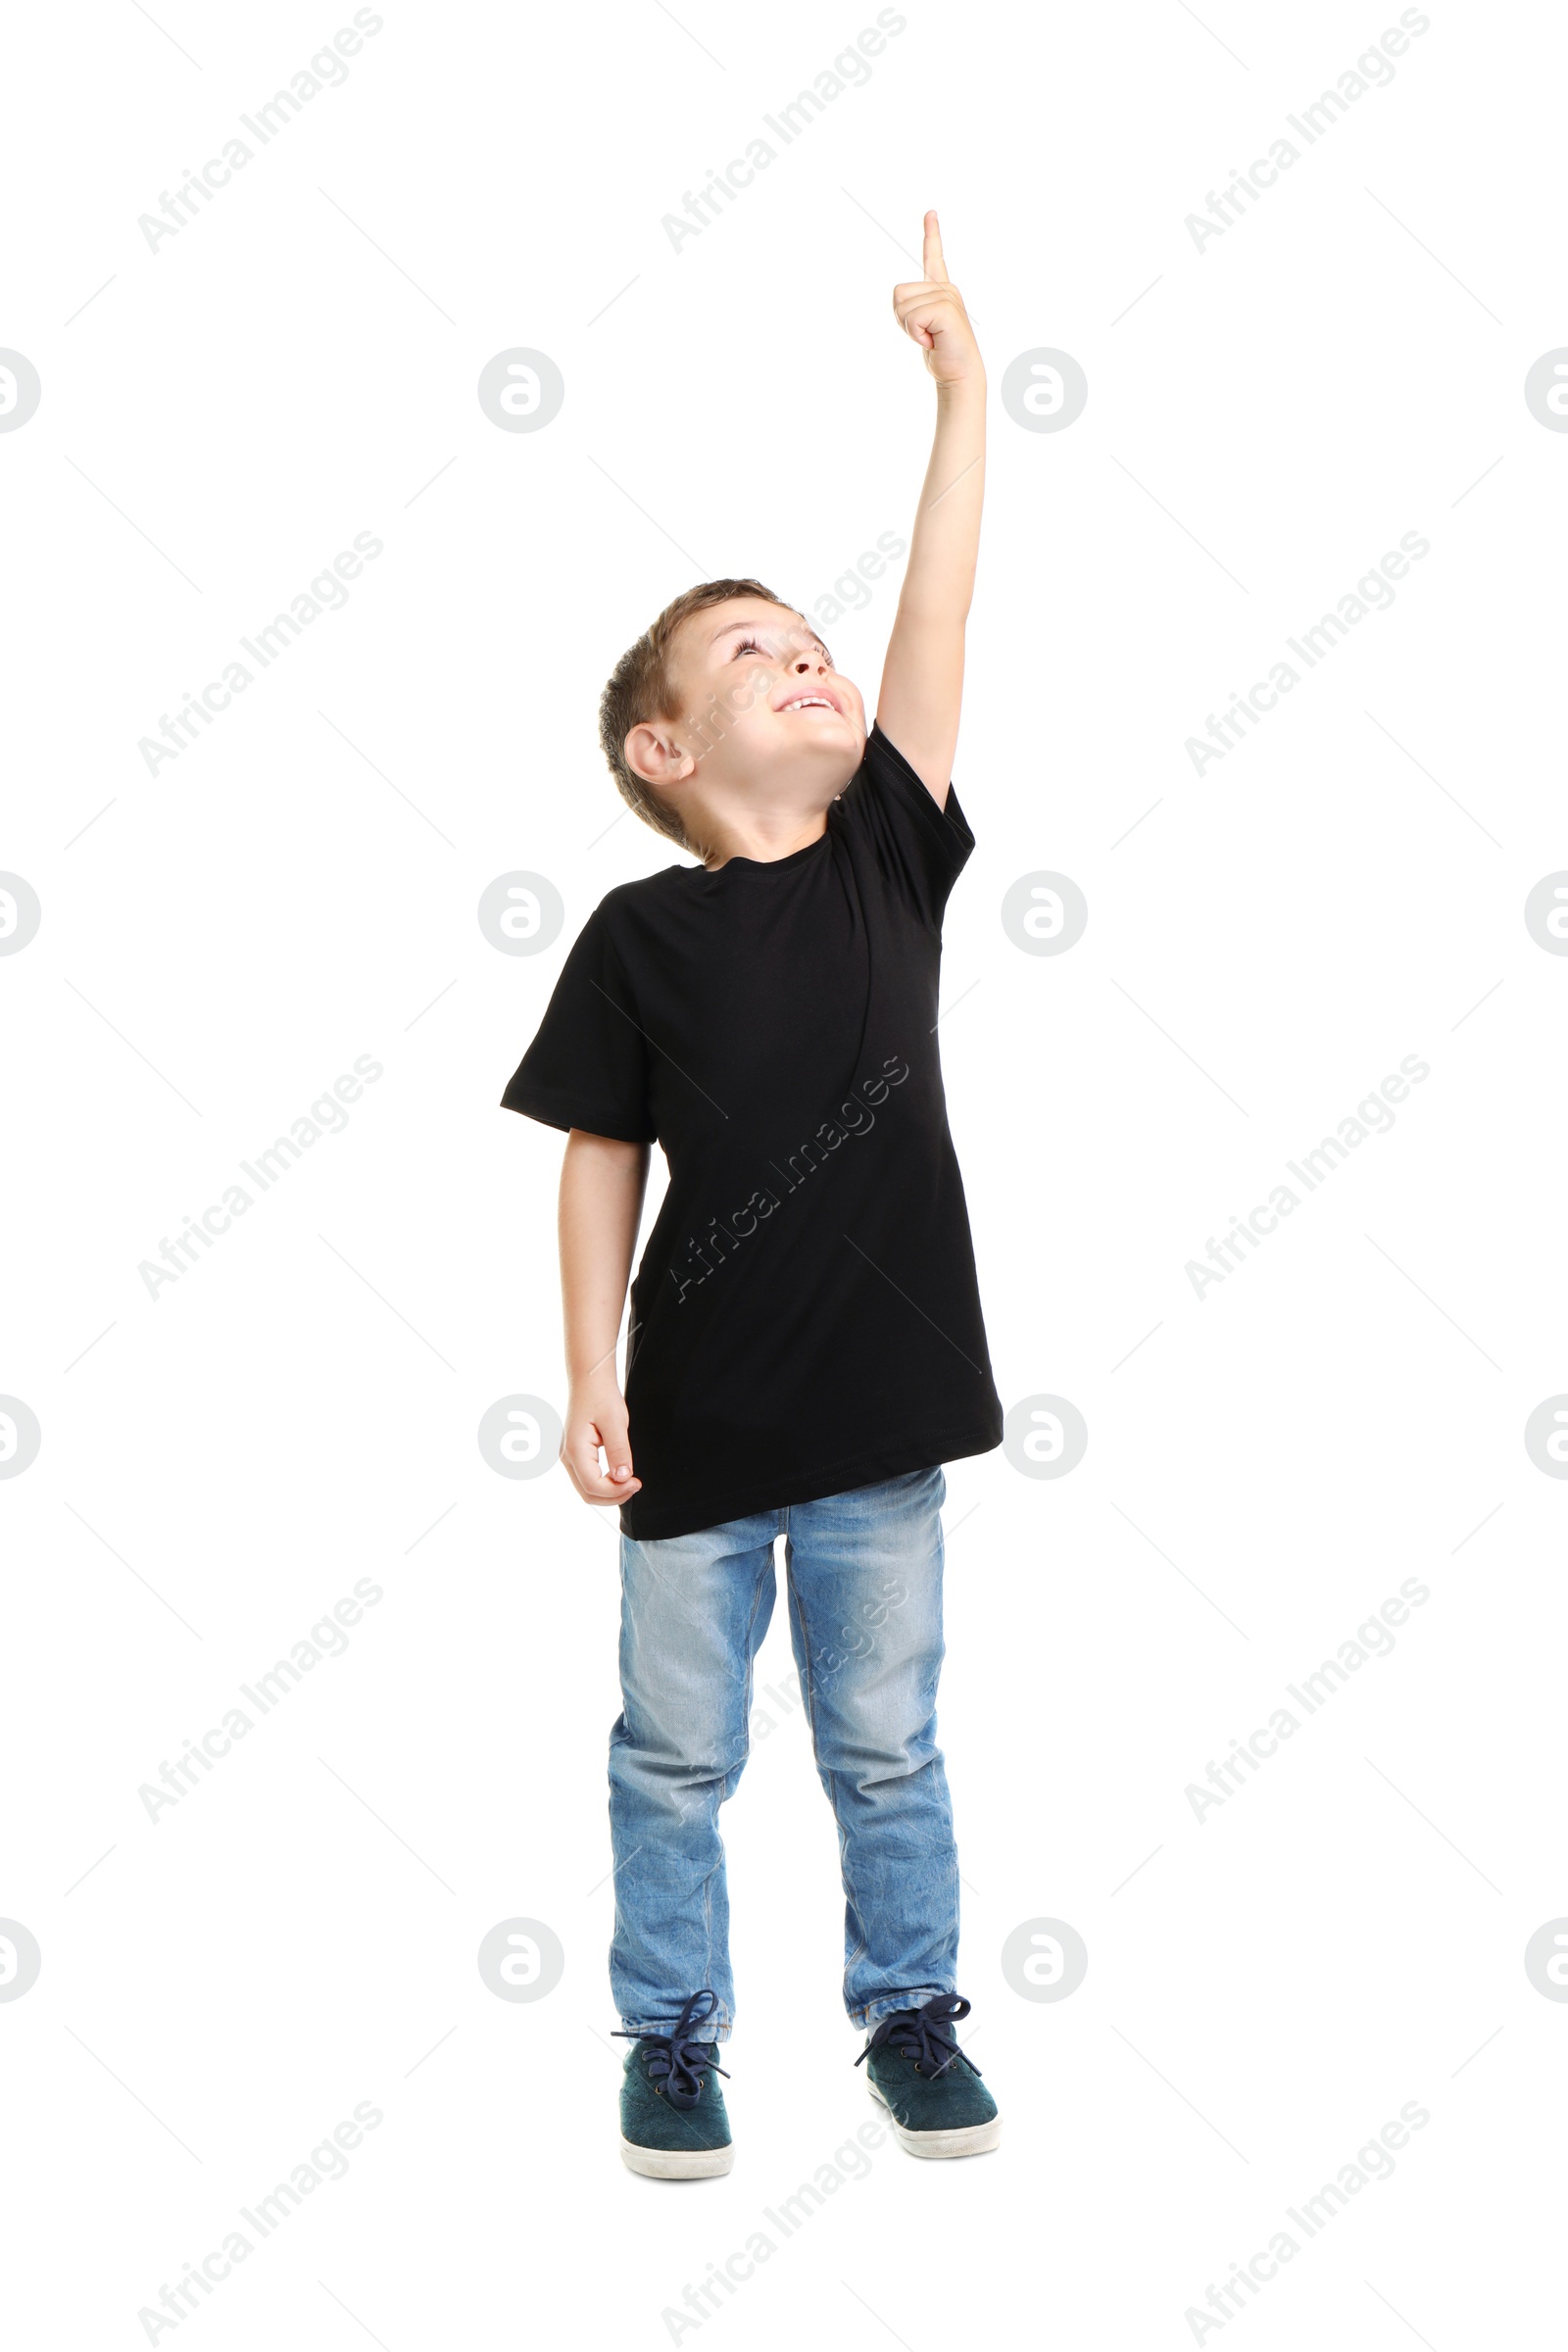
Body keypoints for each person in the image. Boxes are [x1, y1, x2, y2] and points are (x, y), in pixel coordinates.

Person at [502, 213, 1003, 2177]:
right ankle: (673, 2041)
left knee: (885, 1746)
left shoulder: (886, 849)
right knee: (673, 1760)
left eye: (809, 643)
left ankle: (907, 2015)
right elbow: (596, 1154)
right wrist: (583, 1373)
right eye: (750, 654)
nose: (805, 660)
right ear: (663, 746)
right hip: (695, 1445)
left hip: (879, 1436)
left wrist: (961, 396)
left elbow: (937, 619)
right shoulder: (635, 936)